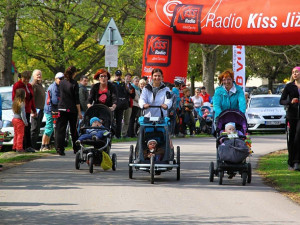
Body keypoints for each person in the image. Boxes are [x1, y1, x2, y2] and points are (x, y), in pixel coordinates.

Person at [55, 66, 82, 156]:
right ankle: (76, 147)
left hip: (61, 107)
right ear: (74, 73)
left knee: (61, 129)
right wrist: (79, 112)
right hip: (71, 109)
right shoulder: (74, 84)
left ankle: (60, 148)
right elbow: (76, 100)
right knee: (73, 129)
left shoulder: (61, 83)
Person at [280, 66, 300, 171]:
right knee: (292, 138)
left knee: (298, 136)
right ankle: (291, 161)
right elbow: (281, 100)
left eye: (297, 72)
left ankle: (297, 161)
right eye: (293, 72)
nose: (295, 74)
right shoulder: (289, 86)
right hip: (292, 115)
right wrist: (290, 101)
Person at [12, 71, 37, 153]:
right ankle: (20, 147)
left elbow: (32, 98)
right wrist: (17, 108)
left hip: (28, 109)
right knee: (21, 130)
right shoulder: (17, 85)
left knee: (27, 128)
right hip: (21, 110)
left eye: (28, 79)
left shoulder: (29, 86)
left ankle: (28, 146)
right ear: (21, 77)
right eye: (25, 78)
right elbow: (14, 98)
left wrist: (34, 109)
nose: (26, 80)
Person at [40, 72, 64, 151]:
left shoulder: (58, 86)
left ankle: (46, 145)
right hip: (50, 110)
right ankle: (43, 146)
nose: (61, 80)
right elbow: (55, 101)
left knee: (50, 128)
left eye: (62, 79)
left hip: (53, 109)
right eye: (60, 79)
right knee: (49, 127)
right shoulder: (54, 87)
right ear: (55, 79)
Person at [112, 70, 131, 139]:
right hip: (113, 104)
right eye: (117, 75)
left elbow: (128, 92)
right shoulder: (112, 83)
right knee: (111, 120)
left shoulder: (123, 83)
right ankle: (112, 134)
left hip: (120, 104)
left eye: (119, 75)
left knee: (119, 120)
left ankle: (118, 135)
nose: (118, 77)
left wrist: (125, 84)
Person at [30, 69, 45, 150]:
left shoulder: (40, 85)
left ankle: (34, 147)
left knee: (38, 129)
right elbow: (32, 99)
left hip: (41, 109)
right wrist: (33, 111)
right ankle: (31, 146)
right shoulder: (33, 85)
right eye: (37, 75)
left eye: (40, 74)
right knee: (34, 129)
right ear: (33, 76)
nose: (39, 76)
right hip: (35, 110)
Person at [12, 89, 28, 153]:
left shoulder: (15, 102)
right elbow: (23, 114)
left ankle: (14, 146)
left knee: (16, 134)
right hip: (19, 120)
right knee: (20, 134)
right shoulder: (22, 103)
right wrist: (25, 122)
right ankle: (19, 148)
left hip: (14, 119)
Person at [122, 73, 135, 138]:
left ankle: (124, 134)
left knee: (127, 120)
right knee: (120, 120)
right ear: (124, 77)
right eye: (127, 76)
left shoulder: (131, 87)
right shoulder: (121, 85)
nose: (128, 78)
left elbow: (133, 96)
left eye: (130, 77)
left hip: (129, 105)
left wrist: (130, 93)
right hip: (121, 104)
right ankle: (118, 133)